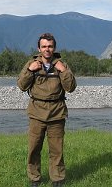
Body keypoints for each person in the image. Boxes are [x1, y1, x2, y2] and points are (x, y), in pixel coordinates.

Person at [17, 33, 77, 187]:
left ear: (54, 47)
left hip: (57, 113)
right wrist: (30, 71)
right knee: (34, 148)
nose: (47, 49)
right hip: (36, 113)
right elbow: (22, 86)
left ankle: (57, 179)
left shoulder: (62, 65)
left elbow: (71, 88)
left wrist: (63, 71)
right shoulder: (32, 64)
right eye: (44, 46)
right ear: (39, 48)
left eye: (50, 46)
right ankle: (34, 179)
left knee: (56, 150)